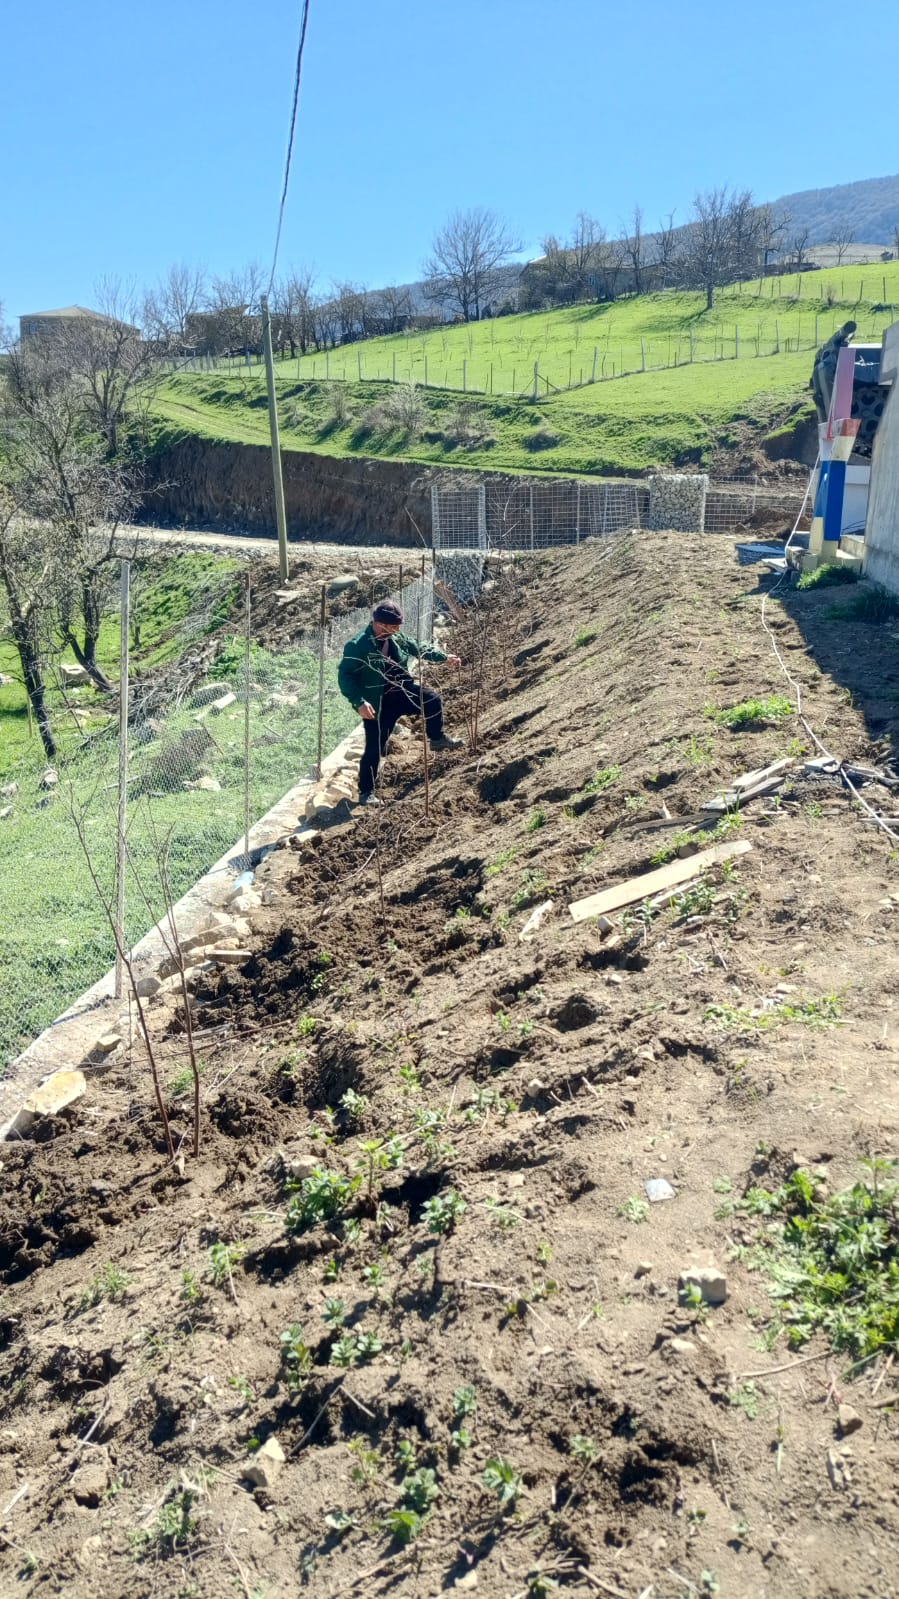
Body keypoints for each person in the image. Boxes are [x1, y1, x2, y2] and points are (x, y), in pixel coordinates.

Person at [337, 600, 463, 807]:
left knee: (432, 700)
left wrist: (443, 657)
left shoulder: (396, 637)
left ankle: (437, 739)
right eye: (393, 626)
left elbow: (418, 647)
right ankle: (366, 792)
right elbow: (345, 677)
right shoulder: (358, 645)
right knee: (374, 748)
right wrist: (359, 702)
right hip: (379, 704)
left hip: (402, 693)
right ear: (379, 624)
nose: (397, 630)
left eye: (398, 626)